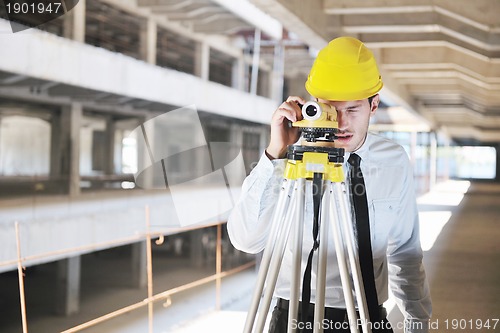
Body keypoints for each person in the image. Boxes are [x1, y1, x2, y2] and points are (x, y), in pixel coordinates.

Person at [227, 36, 432, 332]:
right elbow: (245, 240)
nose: (341, 123)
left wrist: (418, 321)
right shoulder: (290, 161)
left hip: (367, 318)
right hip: (293, 319)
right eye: (332, 110)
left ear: (374, 104)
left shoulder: (394, 162)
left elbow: (405, 251)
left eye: (352, 110)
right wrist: (275, 155)